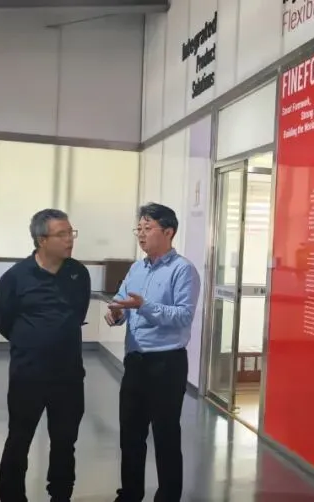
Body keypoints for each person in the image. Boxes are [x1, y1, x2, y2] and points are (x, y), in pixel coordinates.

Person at [0, 209, 91, 502]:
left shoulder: (78, 273)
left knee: (65, 442)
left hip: (69, 376)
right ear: (41, 240)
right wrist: (32, 342)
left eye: (71, 233)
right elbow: (1, 319)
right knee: (19, 439)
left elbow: (78, 314)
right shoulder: (16, 277)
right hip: (28, 376)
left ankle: (60, 494)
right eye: (62, 234)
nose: (69, 239)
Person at [106, 202, 201, 502]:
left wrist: (144, 307)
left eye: (148, 228)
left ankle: (168, 496)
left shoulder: (183, 270)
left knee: (165, 435)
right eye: (139, 229)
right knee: (130, 434)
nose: (141, 234)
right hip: (135, 361)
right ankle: (130, 494)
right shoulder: (136, 268)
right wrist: (116, 313)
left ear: (168, 232)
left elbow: (183, 316)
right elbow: (121, 301)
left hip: (167, 363)